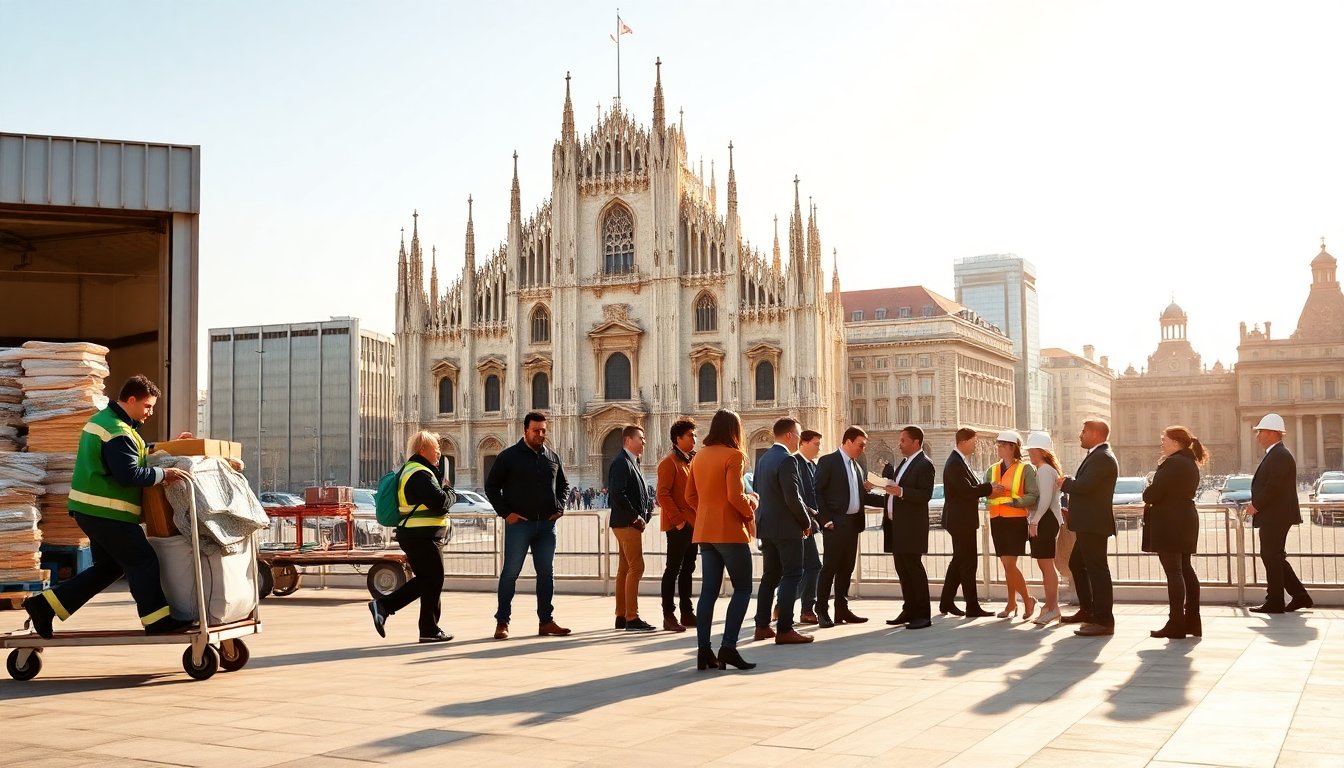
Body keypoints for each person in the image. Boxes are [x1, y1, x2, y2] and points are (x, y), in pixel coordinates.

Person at [23, 375, 193, 638]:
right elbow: (128, 474)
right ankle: (157, 621)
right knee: (143, 560)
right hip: (107, 513)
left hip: (94, 511)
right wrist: (164, 474)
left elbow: (135, 454)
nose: (150, 412)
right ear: (132, 400)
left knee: (110, 567)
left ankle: (44, 606)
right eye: (148, 406)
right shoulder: (116, 431)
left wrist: (169, 447)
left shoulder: (112, 424)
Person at [484, 411, 571, 640]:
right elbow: (491, 487)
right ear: (525, 431)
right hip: (519, 526)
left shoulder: (552, 456)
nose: (540, 434)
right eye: (536, 431)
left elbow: (563, 485)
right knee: (510, 573)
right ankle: (502, 622)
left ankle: (546, 621)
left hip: (546, 527)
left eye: (543, 430)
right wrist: (506, 513)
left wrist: (560, 507)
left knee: (546, 574)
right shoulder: (508, 457)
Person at [686, 409, 759, 670]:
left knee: (708, 591)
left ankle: (703, 650)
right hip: (729, 532)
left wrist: (708, 512)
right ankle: (728, 647)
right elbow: (734, 496)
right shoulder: (734, 455)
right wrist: (751, 507)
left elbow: (690, 496)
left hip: (705, 532)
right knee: (743, 588)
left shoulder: (699, 456)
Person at [368, 430, 456, 643]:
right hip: (421, 536)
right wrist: (449, 490)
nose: (439, 453)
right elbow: (439, 503)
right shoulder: (418, 473)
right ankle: (386, 607)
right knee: (433, 579)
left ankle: (427, 629)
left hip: (419, 535)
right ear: (423, 449)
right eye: (436, 449)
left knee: (429, 580)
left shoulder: (416, 470)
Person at [813, 426, 887, 628]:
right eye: (860, 445)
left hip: (853, 524)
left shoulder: (857, 466)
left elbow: (862, 497)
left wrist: (891, 499)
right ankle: (821, 610)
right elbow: (817, 492)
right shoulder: (828, 461)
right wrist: (825, 520)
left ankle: (842, 609)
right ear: (848, 441)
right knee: (830, 568)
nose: (863, 449)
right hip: (835, 524)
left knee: (847, 568)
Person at [752, 418, 815, 645]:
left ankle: (761, 626)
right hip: (787, 529)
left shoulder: (764, 458)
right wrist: (806, 522)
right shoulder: (788, 460)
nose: (800, 438)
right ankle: (785, 629)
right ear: (789, 435)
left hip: (767, 527)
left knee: (770, 577)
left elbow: (758, 491)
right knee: (792, 575)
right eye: (798, 433)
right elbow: (792, 497)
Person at [1141, 425, 1206, 638]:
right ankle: (1192, 621)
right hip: (1185, 518)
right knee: (1185, 569)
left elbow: (1152, 494)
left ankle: (1176, 622)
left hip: (1170, 521)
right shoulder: (1189, 462)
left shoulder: (1172, 463)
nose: (1162, 444)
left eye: (1164, 440)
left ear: (1176, 442)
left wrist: (1148, 487)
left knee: (1174, 572)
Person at [1057, 420, 1119, 637]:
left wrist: (1066, 483)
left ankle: (1104, 621)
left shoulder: (1102, 457)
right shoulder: (1097, 455)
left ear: (1095, 434)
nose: (1080, 435)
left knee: (1098, 571)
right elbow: (1087, 484)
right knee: (1077, 564)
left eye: (1084, 431)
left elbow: (1085, 486)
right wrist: (1071, 482)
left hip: (1094, 524)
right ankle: (1088, 610)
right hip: (1088, 523)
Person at [1246, 413, 1313, 614]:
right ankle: (1299, 596)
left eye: (1261, 431)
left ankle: (1275, 600)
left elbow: (1273, 486)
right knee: (1274, 556)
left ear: (1273, 433)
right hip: (1275, 515)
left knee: (1271, 556)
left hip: (1276, 515)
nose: (1258, 436)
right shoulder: (1276, 454)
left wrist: (1256, 505)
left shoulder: (1280, 455)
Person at [881, 426, 935, 630]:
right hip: (897, 526)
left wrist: (901, 492)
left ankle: (923, 614)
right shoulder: (904, 462)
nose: (899, 444)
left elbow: (925, 495)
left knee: (914, 569)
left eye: (903, 440)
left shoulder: (924, 464)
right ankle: (909, 609)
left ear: (916, 442)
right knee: (902, 570)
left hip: (911, 527)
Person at [939, 427, 995, 618]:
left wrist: (986, 488)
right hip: (960, 521)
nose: (975, 445)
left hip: (962, 520)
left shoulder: (960, 461)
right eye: (973, 442)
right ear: (963, 442)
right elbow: (966, 491)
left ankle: (946, 601)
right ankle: (972, 605)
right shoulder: (955, 463)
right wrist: (990, 488)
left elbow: (970, 487)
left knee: (959, 561)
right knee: (968, 563)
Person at [986, 431, 1039, 620]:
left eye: (1001, 445)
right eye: (998, 445)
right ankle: (1011, 603)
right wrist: (991, 493)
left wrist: (1015, 502)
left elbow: (1033, 495)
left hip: (1015, 520)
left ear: (1012, 447)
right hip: (997, 519)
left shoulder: (1026, 469)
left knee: (1009, 564)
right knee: (1007, 565)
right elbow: (985, 494)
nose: (998, 448)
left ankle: (1027, 600)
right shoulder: (992, 469)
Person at [609, 424, 655, 632]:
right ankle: (632, 617)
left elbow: (638, 492)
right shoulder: (621, 462)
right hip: (627, 524)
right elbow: (617, 493)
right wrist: (635, 517)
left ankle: (621, 615)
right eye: (640, 438)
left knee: (625, 569)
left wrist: (647, 509)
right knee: (637, 567)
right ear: (628, 440)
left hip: (625, 523)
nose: (644, 442)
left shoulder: (631, 461)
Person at [656, 418, 698, 632]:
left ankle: (687, 611)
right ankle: (668, 614)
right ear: (677, 438)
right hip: (678, 525)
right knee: (673, 569)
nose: (694, 439)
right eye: (690, 435)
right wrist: (679, 521)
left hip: (692, 524)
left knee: (688, 568)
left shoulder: (690, 461)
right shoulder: (669, 462)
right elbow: (662, 494)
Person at [1023, 431, 1064, 626]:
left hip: (1046, 520)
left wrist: (1034, 521)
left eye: (1032, 450)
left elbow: (1046, 499)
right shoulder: (1043, 469)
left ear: (1041, 451)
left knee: (1047, 566)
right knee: (1044, 565)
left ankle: (1053, 607)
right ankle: (1049, 607)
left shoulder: (1045, 470)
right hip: (1044, 519)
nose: (1029, 453)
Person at [793, 430, 824, 624]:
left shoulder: (812, 465)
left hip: (810, 523)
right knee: (813, 566)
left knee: (802, 568)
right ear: (803, 443)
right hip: (801, 523)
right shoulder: (794, 463)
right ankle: (806, 609)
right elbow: (797, 496)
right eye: (816, 444)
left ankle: (782, 605)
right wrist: (809, 519)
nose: (819, 448)